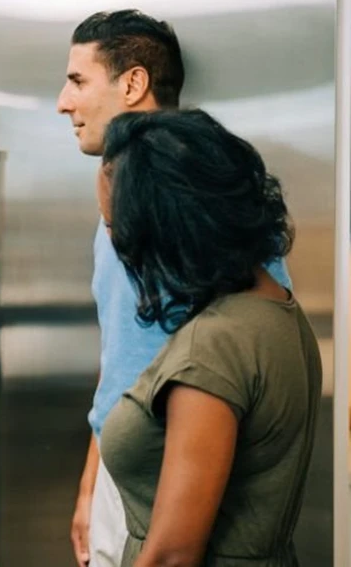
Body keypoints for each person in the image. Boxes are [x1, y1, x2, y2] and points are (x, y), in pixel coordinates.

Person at [55, 10, 292, 567]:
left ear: (133, 83)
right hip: (124, 470)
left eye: (77, 81)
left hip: (176, 489)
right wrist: (95, 482)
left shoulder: (210, 211)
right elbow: (120, 361)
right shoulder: (118, 203)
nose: (64, 102)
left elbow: (231, 362)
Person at [96, 108, 322, 566]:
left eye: (116, 227)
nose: (119, 246)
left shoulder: (212, 347)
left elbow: (172, 557)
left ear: (166, 229)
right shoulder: (278, 310)